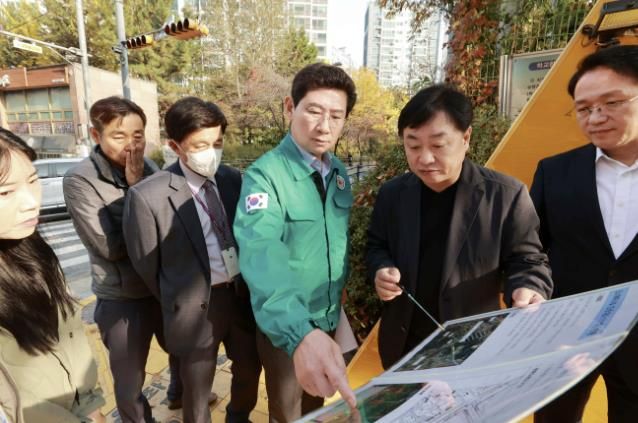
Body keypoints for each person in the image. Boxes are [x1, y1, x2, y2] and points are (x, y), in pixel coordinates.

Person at [367, 84, 553, 369]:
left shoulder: (505, 195)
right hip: (404, 348)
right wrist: (381, 269)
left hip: (474, 348)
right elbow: (377, 245)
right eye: (413, 146)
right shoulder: (393, 194)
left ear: (466, 138)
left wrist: (528, 287)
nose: (424, 158)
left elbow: (528, 260)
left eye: (438, 145)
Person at [123, 97, 261, 423]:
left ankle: (238, 417)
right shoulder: (148, 195)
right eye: (200, 145)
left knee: (249, 369)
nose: (211, 153)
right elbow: (146, 264)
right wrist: (178, 297)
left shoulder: (233, 179)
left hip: (239, 296)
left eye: (217, 143)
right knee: (196, 392)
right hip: (194, 308)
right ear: (175, 146)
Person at [233, 63, 358, 422]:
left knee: (317, 404)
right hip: (288, 326)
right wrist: (299, 332)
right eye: (314, 111)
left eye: (336, 116)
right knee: (288, 413)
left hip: (329, 316)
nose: (324, 126)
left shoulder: (338, 172)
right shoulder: (265, 176)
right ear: (290, 107)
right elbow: (261, 254)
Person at [63, 97, 189, 423]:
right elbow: (110, 247)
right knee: (130, 380)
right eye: (119, 136)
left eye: (138, 135)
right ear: (96, 135)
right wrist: (137, 191)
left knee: (181, 351)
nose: (131, 145)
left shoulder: (149, 168)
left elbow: (171, 222)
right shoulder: (80, 180)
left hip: (161, 288)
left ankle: (179, 394)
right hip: (122, 297)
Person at [530, 45, 638, 423]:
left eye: (611, 103)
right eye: (584, 108)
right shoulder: (554, 172)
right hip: (564, 341)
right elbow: (531, 252)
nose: (596, 117)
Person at [0, 127, 104, 422]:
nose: (31, 201)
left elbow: (70, 332)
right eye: (5, 192)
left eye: (33, 181)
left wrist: (90, 405)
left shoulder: (32, 248)